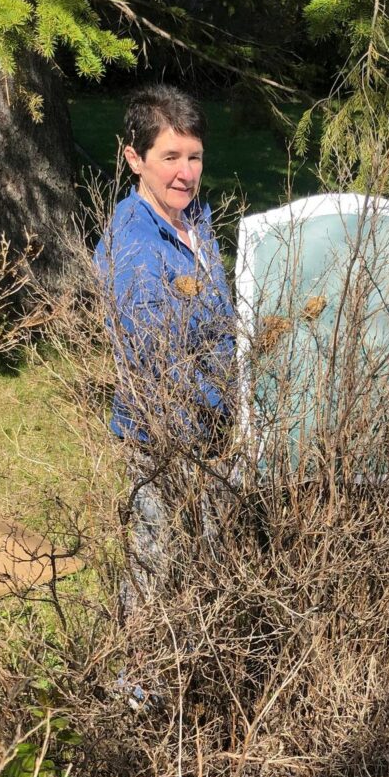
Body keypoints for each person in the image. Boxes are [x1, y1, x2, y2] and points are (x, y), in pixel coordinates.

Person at [93, 84, 234, 619]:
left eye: (194, 156)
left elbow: (217, 315)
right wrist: (227, 390)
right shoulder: (133, 241)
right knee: (155, 564)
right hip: (162, 434)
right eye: (170, 157)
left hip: (211, 426)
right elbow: (155, 354)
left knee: (207, 559)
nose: (186, 172)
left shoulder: (196, 218)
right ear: (134, 159)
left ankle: (196, 673)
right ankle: (136, 683)